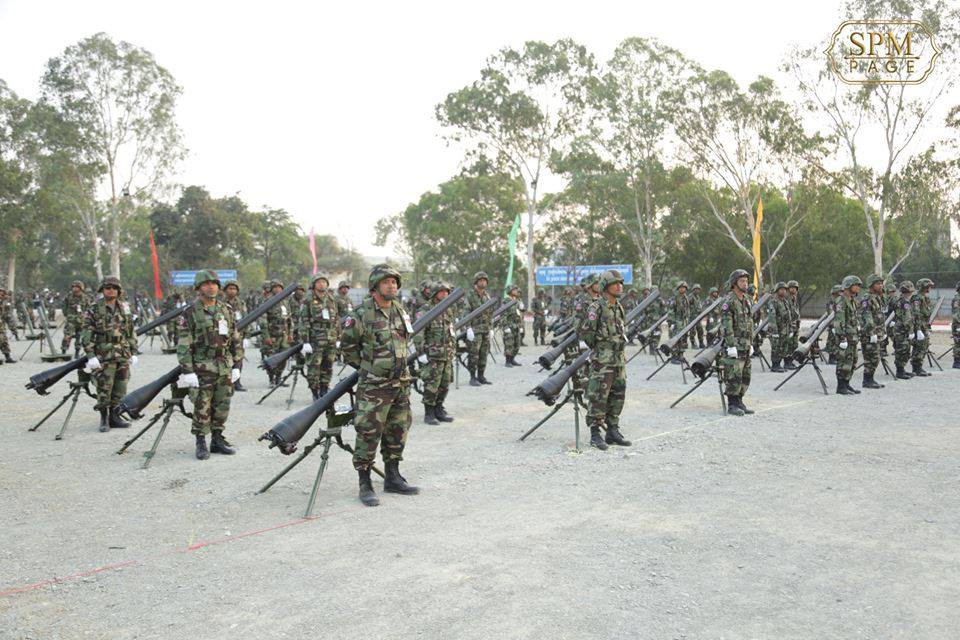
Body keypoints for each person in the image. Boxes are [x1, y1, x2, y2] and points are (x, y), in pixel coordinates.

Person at [341, 263, 418, 507]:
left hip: (400, 383)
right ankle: (365, 483)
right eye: (387, 282)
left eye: (394, 282)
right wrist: (372, 369)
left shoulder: (399, 310)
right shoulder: (362, 314)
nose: (392, 285)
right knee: (369, 432)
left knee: (398, 429)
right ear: (375, 286)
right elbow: (349, 349)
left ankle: (392, 477)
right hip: (375, 386)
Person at [176, 270, 242, 460]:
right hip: (202, 367)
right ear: (198, 288)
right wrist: (187, 371)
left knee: (222, 404)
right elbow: (184, 344)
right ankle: (201, 442)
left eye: (214, 283)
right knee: (202, 406)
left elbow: (235, 339)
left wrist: (237, 364)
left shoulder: (226, 309)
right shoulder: (190, 312)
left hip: (224, 366)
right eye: (206, 284)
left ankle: (217, 439)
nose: (211, 286)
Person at [579, 270, 630, 449]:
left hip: (618, 360)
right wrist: (601, 349)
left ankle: (612, 431)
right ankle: (595, 434)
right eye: (615, 283)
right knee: (599, 396)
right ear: (605, 287)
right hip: (603, 360)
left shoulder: (619, 307)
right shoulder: (597, 307)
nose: (619, 286)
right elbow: (587, 332)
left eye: (620, 283)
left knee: (618, 395)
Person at [80, 276, 138, 432]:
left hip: (122, 353)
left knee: (120, 386)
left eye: (114, 287)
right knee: (104, 387)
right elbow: (86, 332)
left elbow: (130, 330)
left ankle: (114, 416)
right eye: (107, 287)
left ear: (119, 290)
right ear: (102, 290)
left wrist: (133, 350)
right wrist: (90, 355)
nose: (111, 290)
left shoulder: (125, 307)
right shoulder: (94, 308)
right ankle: (104, 418)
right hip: (103, 354)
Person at [415, 281, 456, 425]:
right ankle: (429, 413)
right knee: (432, 384)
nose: (445, 294)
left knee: (445, 384)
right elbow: (418, 332)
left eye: (447, 292)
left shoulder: (448, 309)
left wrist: (453, 348)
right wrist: (421, 353)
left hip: (447, 354)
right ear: (434, 293)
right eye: (442, 292)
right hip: (432, 355)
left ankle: (439, 409)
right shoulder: (425, 309)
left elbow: (451, 331)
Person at [298, 274, 340, 400]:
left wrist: (338, 337)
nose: (322, 284)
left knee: (328, 366)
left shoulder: (331, 299)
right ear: (314, 284)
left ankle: (324, 390)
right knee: (314, 368)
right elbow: (303, 321)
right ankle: (315, 393)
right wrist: (305, 341)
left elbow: (336, 319)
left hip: (330, 339)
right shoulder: (308, 300)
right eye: (319, 282)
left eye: (324, 282)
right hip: (315, 340)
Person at [719, 269, 755, 415]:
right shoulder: (729, 301)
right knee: (734, 375)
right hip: (734, 345)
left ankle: (740, 401)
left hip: (745, 344)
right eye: (742, 281)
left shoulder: (746, 300)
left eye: (746, 281)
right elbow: (726, 325)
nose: (745, 284)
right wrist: (730, 345)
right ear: (734, 283)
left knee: (745, 375)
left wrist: (751, 343)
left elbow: (749, 323)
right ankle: (732, 404)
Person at [834, 275, 863, 395]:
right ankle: (841, 386)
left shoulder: (851, 300)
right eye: (856, 285)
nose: (858, 288)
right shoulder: (841, 300)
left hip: (853, 337)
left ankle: (847, 383)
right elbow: (840, 320)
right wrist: (842, 337)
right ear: (848, 286)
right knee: (843, 361)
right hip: (845, 337)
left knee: (852, 361)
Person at [260, 280, 291, 387]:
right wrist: (266, 336)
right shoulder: (267, 301)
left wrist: (290, 333)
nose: (278, 289)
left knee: (284, 357)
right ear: (271, 289)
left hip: (284, 335)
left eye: (280, 287)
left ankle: (278, 378)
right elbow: (263, 320)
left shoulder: (285, 302)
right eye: (275, 287)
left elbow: (289, 319)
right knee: (272, 358)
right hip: (272, 335)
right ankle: (271, 379)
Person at [465, 271, 494, 386]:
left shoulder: (487, 296)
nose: (483, 282)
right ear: (476, 282)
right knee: (474, 355)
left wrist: (491, 328)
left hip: (485, 329)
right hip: (475, 330)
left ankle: (481, 376)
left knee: (484, 354)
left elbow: (490, 313)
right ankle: (472, 377)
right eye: (480, 280)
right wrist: (468, 328)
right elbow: (465, 312)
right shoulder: (470, 295)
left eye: (484, 280)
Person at [858, 274, 886, 390]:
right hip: (870, 334)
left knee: (876, 357)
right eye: (878, 284)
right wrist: (871, 333)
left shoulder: (877, 298)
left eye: (881, 283)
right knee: (870, 357)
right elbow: (867, 317)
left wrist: (882, 331)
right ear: (871, 285)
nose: (881, 286)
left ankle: (870, 379)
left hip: (877, 332)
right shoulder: (867, 299)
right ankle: (867, 380)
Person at [222, 279, 248, 392]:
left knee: (238, 359)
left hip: (239, 336)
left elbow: (246, 318)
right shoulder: (220, 303)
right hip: (224, 336)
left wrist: (247, 336)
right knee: (225, 359)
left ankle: (237, 382)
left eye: (234, 289)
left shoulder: (241, 303)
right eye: (230, 288)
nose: (232, 291)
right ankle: (226, 382)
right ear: (225, 290)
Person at [909, 278, 933, 377]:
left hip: (924, 326)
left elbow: (926, 315)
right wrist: (918, 329)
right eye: (929, 286)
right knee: (919, 346)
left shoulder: (925, 298)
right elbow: (916, 314)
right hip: (918, 326)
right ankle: (916, 367)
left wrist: (929, 327)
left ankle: (919, 366)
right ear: (924, 287)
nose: (930, 288)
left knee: (924, 345)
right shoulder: (917, 298)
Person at [892, 281, 915, 379]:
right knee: (902, 351)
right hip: (902, 330)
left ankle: (902, 370)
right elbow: (907, 319)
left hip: (900, 329)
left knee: (904, 351)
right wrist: (910, 331)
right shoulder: (904, 302)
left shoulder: (899, 300)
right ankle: (900, 372)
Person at [60, 281, 88, 356]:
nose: (74, 288)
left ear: (81, 288)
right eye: (73, 287)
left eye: (76, 287)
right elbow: (64, 306)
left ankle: (77, 353)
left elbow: (88, 308)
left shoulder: (85, 297)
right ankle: (64, 351)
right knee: (67, 335)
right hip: (71, 320)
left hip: (81, 320)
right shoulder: (68, 296)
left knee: (79, 336)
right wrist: (66, 314)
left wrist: (85, 316)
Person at [667, 281, 691, 363]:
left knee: (683, 339)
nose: (682, 289)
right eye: (681, 287)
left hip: (684, 322)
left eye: (684, 288)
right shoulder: (675, 297)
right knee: (675, 339)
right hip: (676, 321)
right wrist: (671, 323)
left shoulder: (685, 297)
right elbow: (671, 311)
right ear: (678, 288)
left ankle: (680, 355)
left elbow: (687, 310)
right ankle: (674, 356)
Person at [769, 282, 791, 372]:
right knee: (776, 347)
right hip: (777, 329)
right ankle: (775, 365)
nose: (784, 291)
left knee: (783, 347)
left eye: (785, 290)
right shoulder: (774, 301)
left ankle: (779, 364)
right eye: (781, 289)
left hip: (785, 329)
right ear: (777, 290)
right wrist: (774, 331)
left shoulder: (785, 301)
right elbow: (772, 317)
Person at [500, 285, 523, 366]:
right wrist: (505, 326)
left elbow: (518, 314)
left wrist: (520, 326)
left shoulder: (516, 301)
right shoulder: (506, 301)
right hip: (509, 326)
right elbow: (503, 314)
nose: (516, 291)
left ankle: (512, 359)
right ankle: (508, 361)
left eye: (516, 289)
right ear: (510, 291)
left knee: (517, 344)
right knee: (509, 344)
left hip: (516, 326)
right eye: (514, 289)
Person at [824, 285, 842, 364]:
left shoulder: (841, 302)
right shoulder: (831, 303)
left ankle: (837, 357)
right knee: (832, 341)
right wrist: (833, 325)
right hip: (833, 325)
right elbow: (831, 314)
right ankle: (832, 358)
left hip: (840, 325)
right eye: (839, 292)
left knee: (838, 341)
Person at [0, 287, 17, 363]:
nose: (3, 294)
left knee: (4, 340)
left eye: (3, 293)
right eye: (2, 293)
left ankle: (8, 357)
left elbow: (6, 314)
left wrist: (11, 326)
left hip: (1, 325)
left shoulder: (4, 302)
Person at [950, 280, 959, 369]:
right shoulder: (957, 298)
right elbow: (956, 313)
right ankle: (956, 362)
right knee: (958, 343)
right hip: (958, 324)